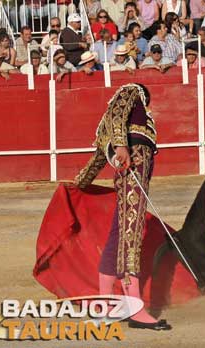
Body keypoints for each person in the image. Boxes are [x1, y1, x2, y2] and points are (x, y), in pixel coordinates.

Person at [73, 84, 172, 331]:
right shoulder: (131, 92)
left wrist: (80, 184)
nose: (146, 106)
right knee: (131, 232)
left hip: (131, 165)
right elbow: (119, 113)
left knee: (119, 235)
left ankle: (106, 303)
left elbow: (97, 159)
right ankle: (133, 307)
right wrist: (122, 147)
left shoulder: (106, 127)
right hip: (134, 165)